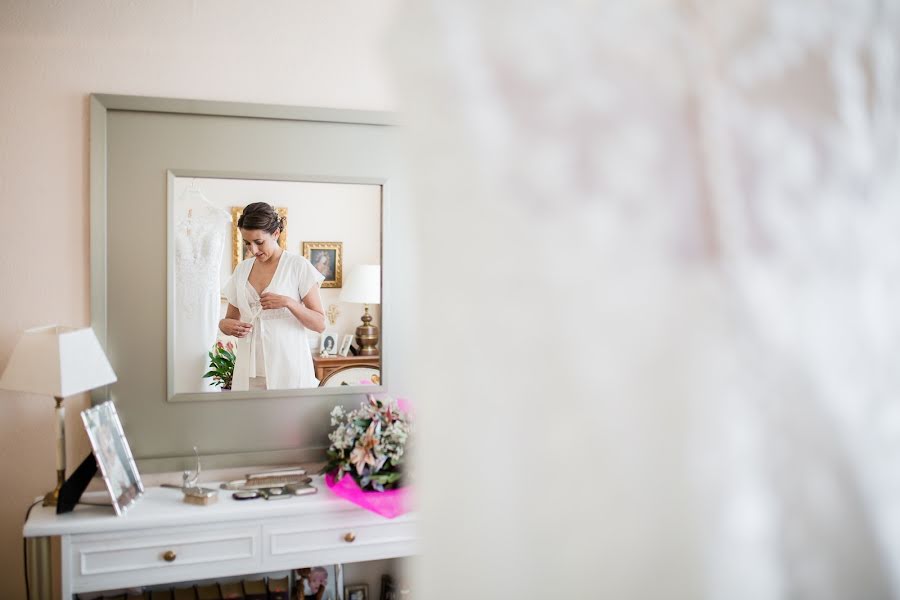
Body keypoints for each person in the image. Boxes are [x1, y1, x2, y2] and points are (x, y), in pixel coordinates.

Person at [219, 202, 326, 390]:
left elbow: (320, 324)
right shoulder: (241, 270)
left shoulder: (297, 266)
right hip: (248, 372)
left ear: (276, 234)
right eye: (247, 243)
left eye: (259, 242)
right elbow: (229, 320)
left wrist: (289, 302)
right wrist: (224, 325)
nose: (253, 250)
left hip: (289, 369)